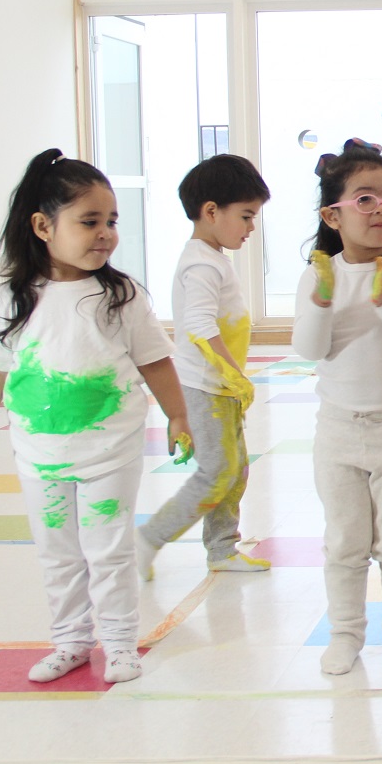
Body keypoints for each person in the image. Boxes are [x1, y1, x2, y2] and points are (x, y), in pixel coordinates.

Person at [0, 149, 190, 684]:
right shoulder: (12, 300)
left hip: (110, 452)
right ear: (43, 225)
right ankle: (71, 641)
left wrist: (178, 416)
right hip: (40, 457)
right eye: (89, 221)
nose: (105, 233)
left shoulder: (120, 296)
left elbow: (155, 361)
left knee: (107, 552)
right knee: (57, 554)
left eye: (111, 221)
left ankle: (119, 642)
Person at [292, 139, 382, 675]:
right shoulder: (318, 273)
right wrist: (324, 296)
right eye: (365, 199)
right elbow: (310, 349)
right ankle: (345, 637)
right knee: (345, 543)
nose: (381, 208)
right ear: (333, 213)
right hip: (337, 432)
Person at [137, 154, 272, 580]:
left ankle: (223, 550)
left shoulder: (212, 258)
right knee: (217, 473)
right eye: (246, 216)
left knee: (235, 470)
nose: (251, 227)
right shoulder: (200, 263)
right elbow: (197, 324)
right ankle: (148, 540)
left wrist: (233, 380)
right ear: (211, 211)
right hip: (205, 387)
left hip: (221, 387)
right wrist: (234, 373)